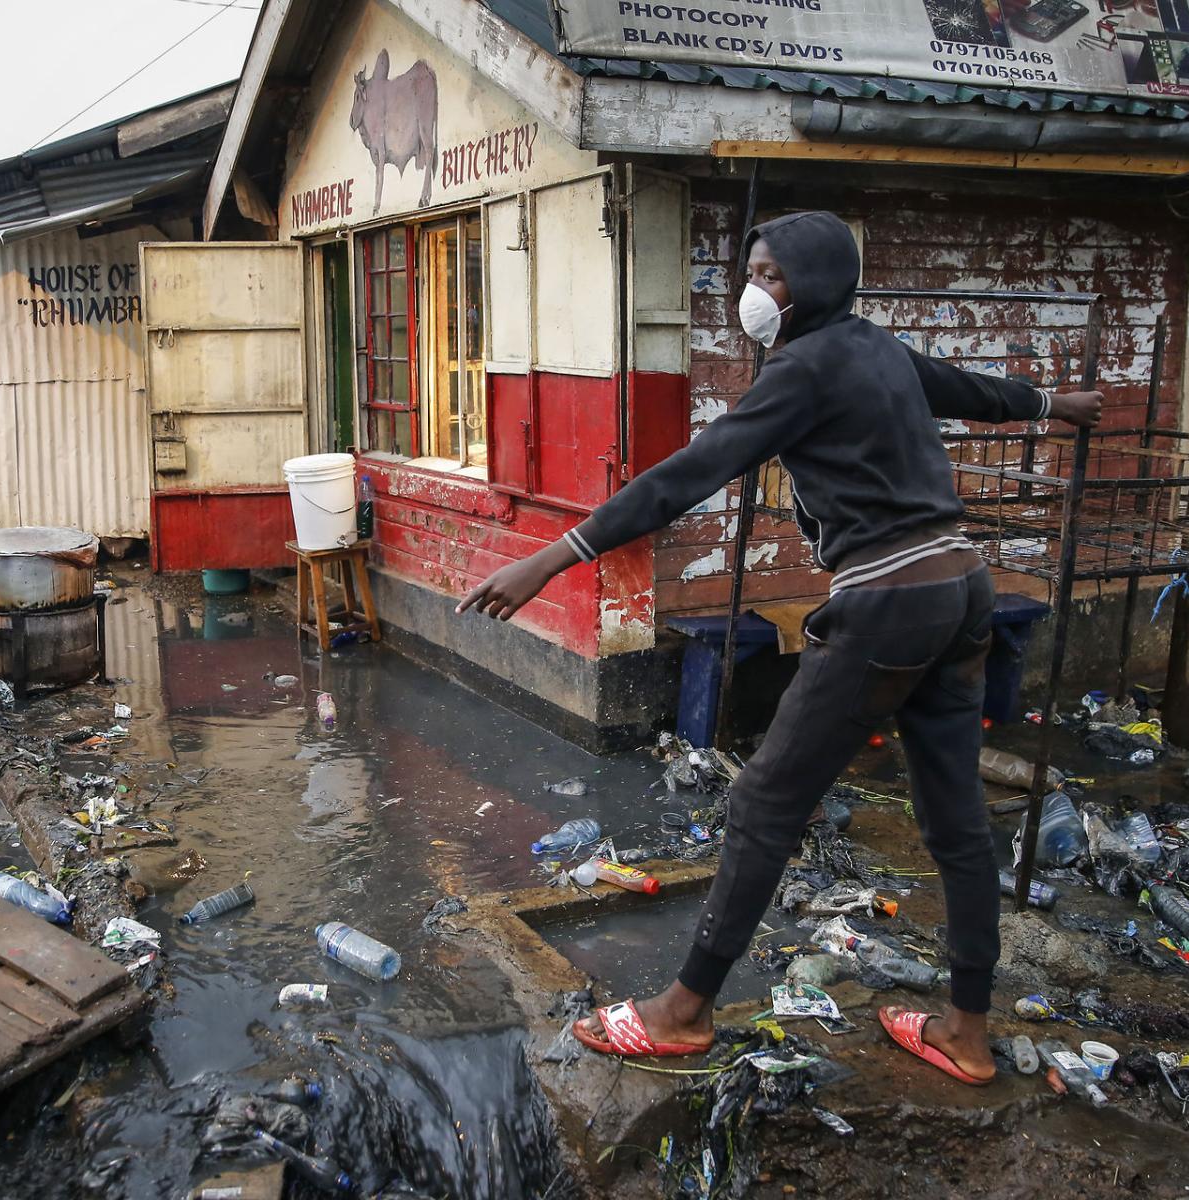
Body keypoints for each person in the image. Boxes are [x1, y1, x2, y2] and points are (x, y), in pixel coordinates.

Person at [457, 211, 1103, 1082]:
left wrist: (554, 556)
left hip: (887, 605)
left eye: (772, 275)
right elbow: (962, 387)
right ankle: (966, 1030)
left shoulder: (800, 368)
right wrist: (1049, 405)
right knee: (956, 822)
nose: (754, 293)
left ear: (815, 283)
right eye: (753, 272)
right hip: (961, 589)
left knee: (764, 803)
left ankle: (683, 1011)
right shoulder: (872, 346)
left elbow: (687, 474)